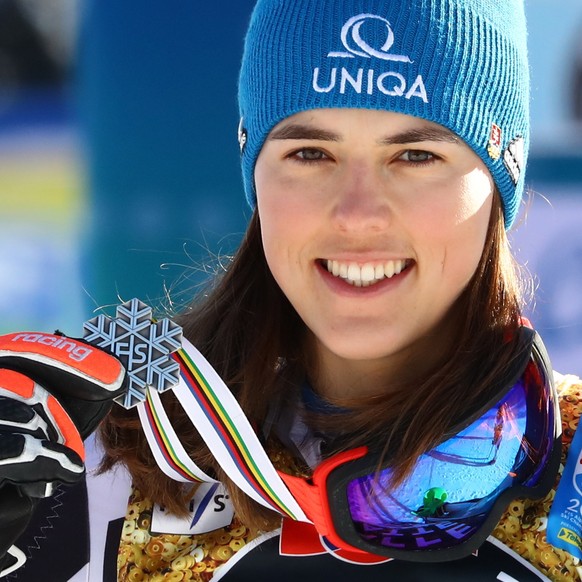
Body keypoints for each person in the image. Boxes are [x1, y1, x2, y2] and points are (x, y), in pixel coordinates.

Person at [1, 0, 581, 580]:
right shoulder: (105, 460)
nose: (357, 215)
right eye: (310, 153)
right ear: (256, 175)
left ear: (499, 180)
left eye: (415, 155)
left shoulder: (572, 472)